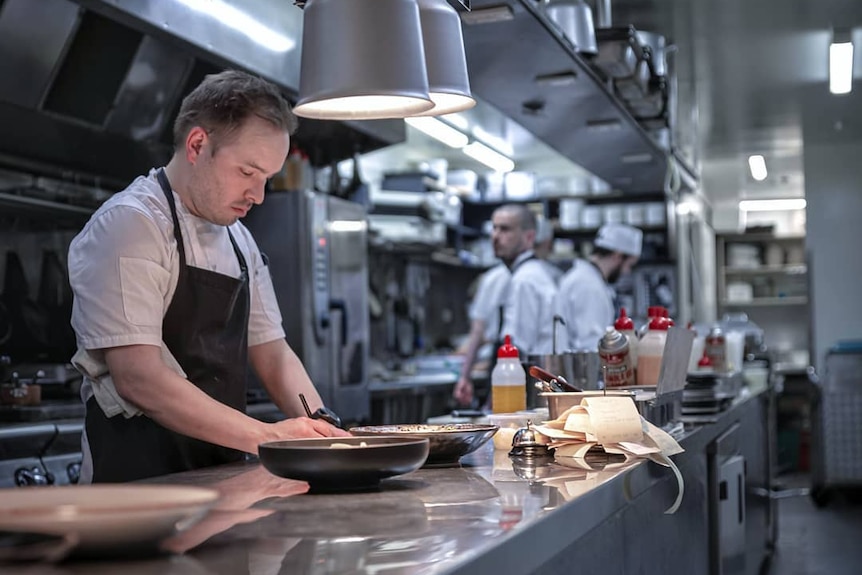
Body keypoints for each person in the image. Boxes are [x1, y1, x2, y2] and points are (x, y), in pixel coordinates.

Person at [68, 70, 349, 484]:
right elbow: (138, 378)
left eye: (266, 179)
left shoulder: (239, 240)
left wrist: (324, 428)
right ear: (198, 145)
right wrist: (267, 436)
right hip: (137, 488)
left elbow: (273, 353)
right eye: (247, 172)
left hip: (219, 477)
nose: (258, 195)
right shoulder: (132, 225)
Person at [453, 205, 558, 407]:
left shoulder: (524, 280)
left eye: (505, 229)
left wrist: (495, 406)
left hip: (530, 389)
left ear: (529, 237)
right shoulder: (523, 275)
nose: (495, 236)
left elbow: (517, 349)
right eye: (494, 228)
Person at [555, 223, 643, 351]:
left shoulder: (589, 279)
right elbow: (591, 344)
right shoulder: (588, 285)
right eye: (629, 265)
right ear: (617, 256)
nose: (626, 272)